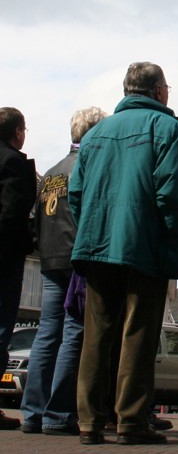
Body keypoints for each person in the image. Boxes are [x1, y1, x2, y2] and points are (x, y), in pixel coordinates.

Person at [69, 62, 178, 446]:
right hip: (143, 245)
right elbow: (172, 191)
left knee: (96, 335)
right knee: (138, 333)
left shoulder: (96, 133)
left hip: (96, 245)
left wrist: (91, 229)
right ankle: (131, 420)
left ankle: (89, 422)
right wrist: (176, 234)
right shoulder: (166, 128)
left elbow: (75, 195)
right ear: (160, 91)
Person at [20, 107, 107, 436]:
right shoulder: (88, 167)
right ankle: (58, 414)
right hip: (75, 258)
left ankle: (32, 412)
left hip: (50, 258)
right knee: (74, 332)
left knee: (46, 334)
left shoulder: (54, 171)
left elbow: (37, 219)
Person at [0, 107, 37, 431]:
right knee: (1, 329)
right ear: (17, 132)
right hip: (4, 258)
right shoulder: (11, 162)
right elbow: (11, 213)